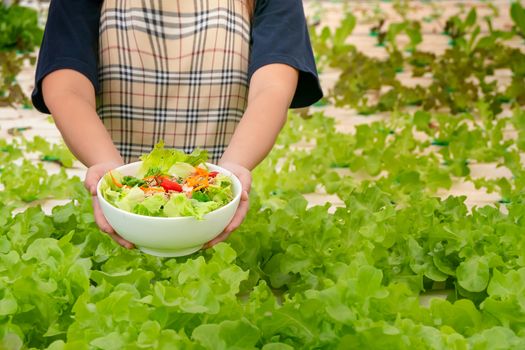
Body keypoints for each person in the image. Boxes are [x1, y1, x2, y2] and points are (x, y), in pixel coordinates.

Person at [32, 0, 323, 249]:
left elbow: (272, 87)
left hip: (220, 211)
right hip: (112, 210)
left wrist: (232, 174)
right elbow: (66, 86)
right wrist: (111, 175)